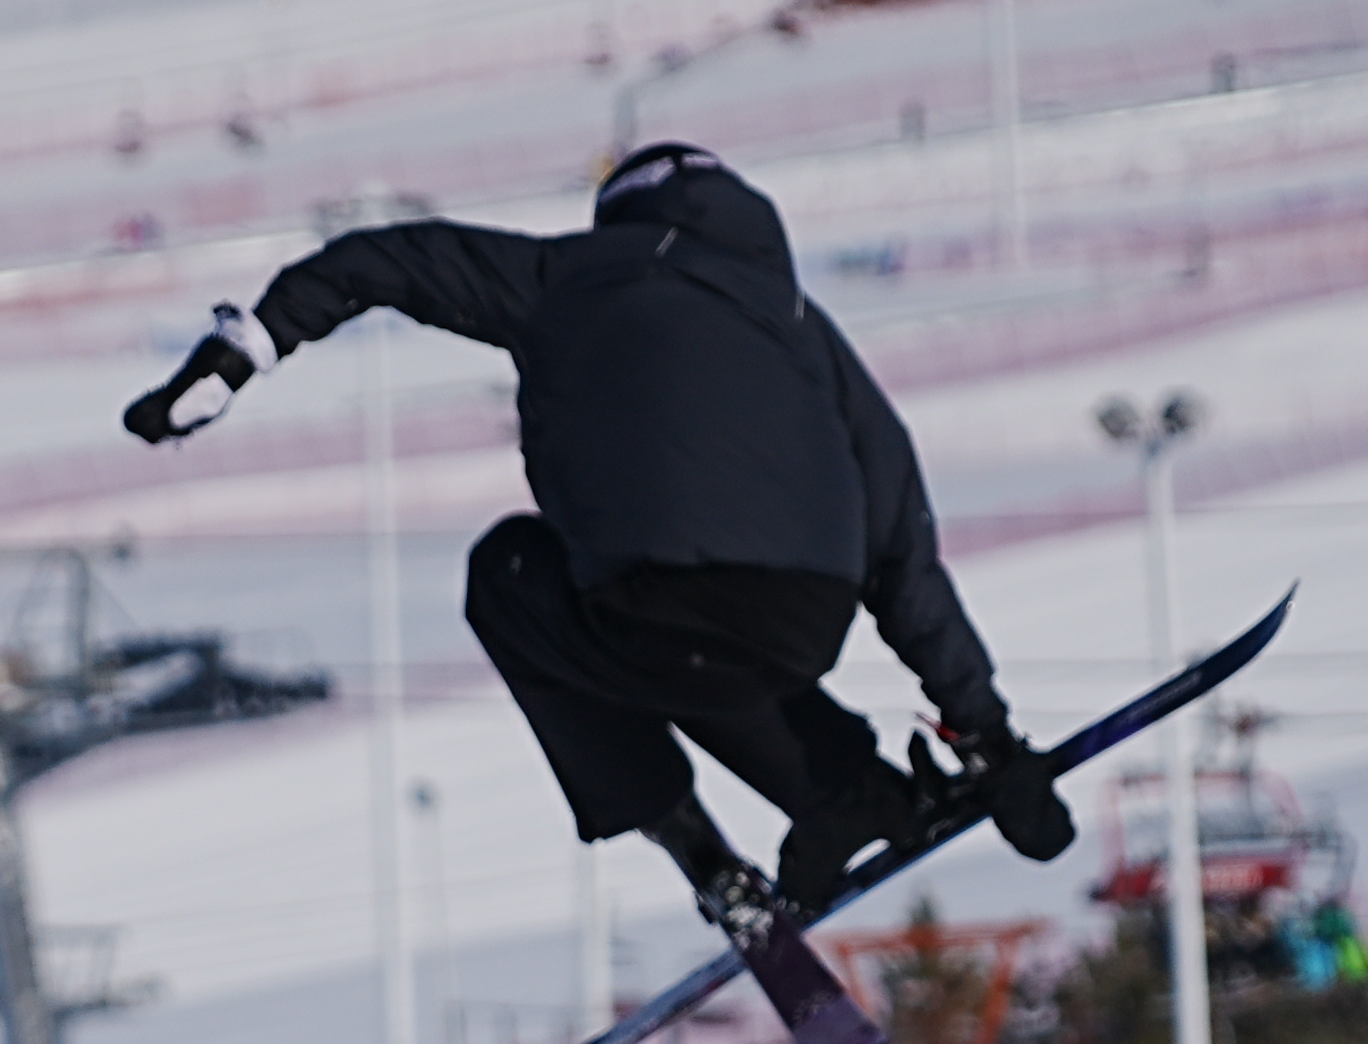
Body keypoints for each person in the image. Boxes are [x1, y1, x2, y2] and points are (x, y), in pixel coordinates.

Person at [122, 142, 1073, 933]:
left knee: (520, 578)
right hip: (797, 618)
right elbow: (905, 555)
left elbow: (382, 261)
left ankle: (705, 858)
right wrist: (987, 735)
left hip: (648, 606)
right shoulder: (804, 330)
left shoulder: (564, 275)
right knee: (713, 634)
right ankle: (845, 790)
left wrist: (249, 346)